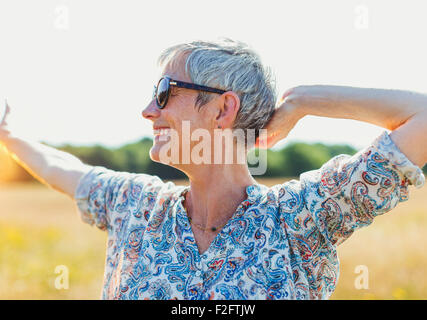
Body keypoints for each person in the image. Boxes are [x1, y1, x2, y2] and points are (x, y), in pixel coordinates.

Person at [0, 38, 425, 300]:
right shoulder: (134, 205)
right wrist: (7, 135)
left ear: (224, 108)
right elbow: (59, 166)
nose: (148, 111)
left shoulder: (302, 218)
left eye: (165, 92)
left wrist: (304, 99)